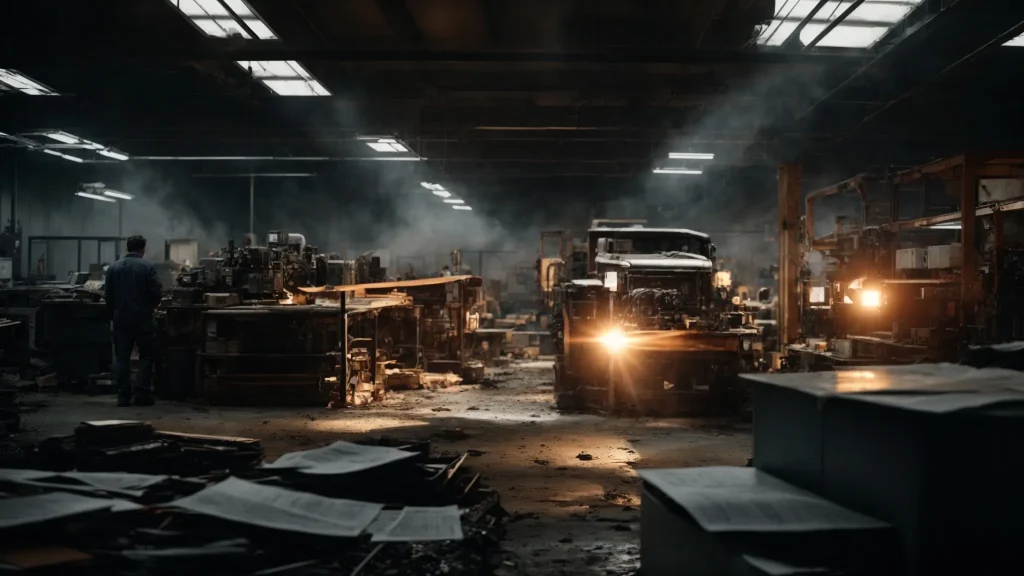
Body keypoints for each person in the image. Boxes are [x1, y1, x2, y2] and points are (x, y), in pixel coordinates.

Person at [105, 235, 163, 407]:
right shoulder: (147, 266)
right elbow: (156, 293)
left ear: (127, 248)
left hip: (121, 319)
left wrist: (114, 313)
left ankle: (123, 396)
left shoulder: (113, 268)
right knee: (146, 356)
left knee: (122, 357)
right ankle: (141, 394)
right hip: (143, 319)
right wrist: (150, 308)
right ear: (142, 249)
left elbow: (108, 295)